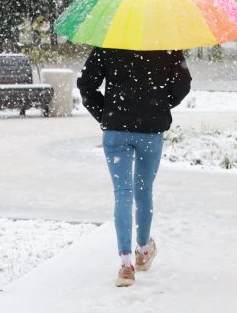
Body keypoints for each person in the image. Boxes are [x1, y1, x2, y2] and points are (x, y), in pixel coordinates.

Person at [77, 48, 191, 287]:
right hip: (150, 131)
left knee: (123, 194)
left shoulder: (109, 43)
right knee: (143, 190)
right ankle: (143, 250)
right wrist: (157, 104)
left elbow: (86, 85)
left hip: (116, 131)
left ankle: (126, 265)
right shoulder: (165, 43)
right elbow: (183, 86)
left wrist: (107, 112)